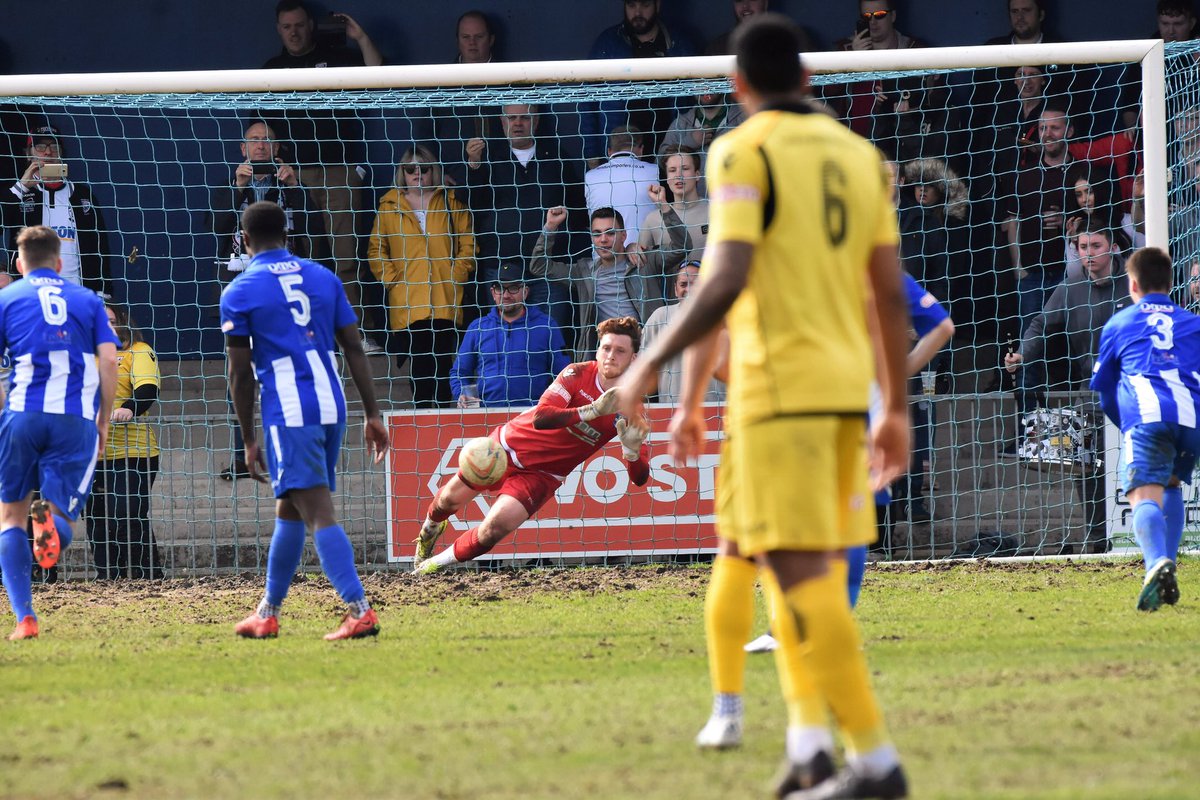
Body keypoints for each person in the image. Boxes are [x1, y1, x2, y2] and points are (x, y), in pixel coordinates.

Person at [616, 15, 911, 799]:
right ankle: (813, 747)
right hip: (845, 391)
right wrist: (896, 408)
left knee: (792, 573)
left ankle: (876, 763)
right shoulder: (858, 155)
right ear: (808, 79)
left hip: (778, 391)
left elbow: (725, 275)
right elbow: (887, 292)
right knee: (788, 572)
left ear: (738, 87)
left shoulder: (740, 149)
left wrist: (648, 365)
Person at [223, 201, 388, 641]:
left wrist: (247, 438)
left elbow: (240, 374)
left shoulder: (240, 290)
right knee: (289, 508)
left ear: (243, 239)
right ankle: (267, 612)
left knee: (317, 512)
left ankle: (360, 610)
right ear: (289, 234)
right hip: (332, 403)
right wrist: (372, 413)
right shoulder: (322, 277)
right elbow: (355, 347)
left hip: (291, 411)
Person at [413, 316, 651, 574]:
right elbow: (541, 417)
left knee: (493, 530)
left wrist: (632, 452)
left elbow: (640, 479)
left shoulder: (633, 410)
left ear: (633, 359)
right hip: (507, 447)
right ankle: (429, 531)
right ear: (597, 350)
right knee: (446, 502)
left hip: (542, 476)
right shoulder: (577, 372)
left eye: (620, 351)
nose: (610, 356)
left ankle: (429, 568)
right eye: (606, 348)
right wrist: (591, 410)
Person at [0, 225, 118, 640]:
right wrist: (102, 420)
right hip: (73, 419)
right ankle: (52, 522)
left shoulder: (5, 298)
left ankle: (24, 618)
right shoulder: (87, 300)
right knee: (62, 515)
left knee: (11, 516)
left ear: (20, 264)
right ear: (59, 262)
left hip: (22, 415)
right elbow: (109, 363)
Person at [260, 0, 383, 354]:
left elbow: (378, 74)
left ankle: (357, 333)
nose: (294, 32)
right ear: (279, 29)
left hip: (339, 171)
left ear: (310, 25)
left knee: (347, 258)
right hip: (295, 178)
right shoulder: (272, 69)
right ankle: (311, 335)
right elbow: (260, 125)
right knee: (304, 260)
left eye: (299, 25)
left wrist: (359, 37)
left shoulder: (339, 57)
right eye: (287, 26)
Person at [1004, 222, 1130, 553]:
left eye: (1095, 246)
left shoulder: (1134, 284)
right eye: (1083, 247)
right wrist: (1021, 353)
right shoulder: (1070, 287)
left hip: (1134, 392)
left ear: (1112, 246)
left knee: (1134, 464)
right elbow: (1040, 324)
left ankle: (1137, 535)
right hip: (1090, 394)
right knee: (1088, 469)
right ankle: (1096, 539)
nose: (1089, 253)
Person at [212, 119, 326, 481]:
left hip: (286, 289)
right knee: (241, 370)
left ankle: (297, 453)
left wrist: (293, 187)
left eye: (267, 141)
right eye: (254, 141)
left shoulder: (292, 185)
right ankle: (242, 453)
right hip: (242, 290)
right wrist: (238, 188)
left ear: (277, 150)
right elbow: (211, 224)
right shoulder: (229, 186)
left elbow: (315, 227)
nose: (261, 147)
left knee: (292, 369)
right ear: (242, 150)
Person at [1091, 247, 1200, 610]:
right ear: (1171, 284)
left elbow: (1106, 391)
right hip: (1191, 418)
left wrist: (1127, 426)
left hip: (1148, 417)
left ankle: (1155, 564)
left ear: (1132, 284)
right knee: (1171, 484)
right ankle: (1167, 572)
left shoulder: (1119, 323)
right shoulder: (1192, 322)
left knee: (1141, 495)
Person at [367, 144, 475, 407]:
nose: (417, 174)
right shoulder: (389, 207)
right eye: (410, 169)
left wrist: (455, 276)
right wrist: (395, 282)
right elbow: (376, 250)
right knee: (420, 365)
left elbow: (468, 244)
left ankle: (443, 417)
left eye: (423, 168)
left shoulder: (451, 202)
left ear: (433, 171)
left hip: (444, 297)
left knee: (443, 361)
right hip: (409, 300)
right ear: (402, 173)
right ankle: (424, 421)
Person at [464, 103, 581, 334]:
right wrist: (473, 164)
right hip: (500, 271)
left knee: (550, 340)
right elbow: (471, 205)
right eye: (512, 118)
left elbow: (577, 209)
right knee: (503, 344)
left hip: (549, 270)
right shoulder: (487, 157)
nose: (518, 123)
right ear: (502, 122)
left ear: (536, 122)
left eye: (525, 118)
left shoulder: (556, 157)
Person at [85, 303, 164, 580]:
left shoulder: (137, 351)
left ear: (122, 322)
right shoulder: (81, 355)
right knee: (97, 521)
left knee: (127, 514)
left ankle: (148, 577)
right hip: (90, 453)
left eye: (110, 320)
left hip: (133, 451)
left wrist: (130, 407)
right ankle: (108, 579)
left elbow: (147, 388)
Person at [530, 206, 665, 362]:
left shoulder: (642, 261)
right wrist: (551, 227)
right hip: (607, 358)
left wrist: (665, 208)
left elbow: (681, 247)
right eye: (597, 234)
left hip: (646, 354)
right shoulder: (584, 272)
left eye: (610, 233)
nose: (603, 239)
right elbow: (538, 266)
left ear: (623, 235)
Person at [1, 125, 112, 297]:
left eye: (54, 147)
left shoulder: (82, 195)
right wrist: (21, 187)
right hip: (31, 296)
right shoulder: (17, 194)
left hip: (77, 295)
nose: (47, 153)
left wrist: (103, 293)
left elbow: (101, 247)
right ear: (28, 153)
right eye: (40, 147)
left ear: (62, 153)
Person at [581, 0, 695, 166]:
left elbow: (694, 101)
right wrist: (592, 154)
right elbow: (587, 100)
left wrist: (687, 143)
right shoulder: (608, 44)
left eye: (645, 5)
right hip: (621, 155)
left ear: (658, 5)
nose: (638, 13)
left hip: (669, 154)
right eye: (631, 5)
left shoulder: (678, 43)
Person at [450, 263, 570, 409]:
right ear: (493, 293)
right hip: (486, 415)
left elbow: (564, 373)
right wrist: (461, 394)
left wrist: (551, 404)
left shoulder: (546, 325)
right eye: (500, 288)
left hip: (532, 416)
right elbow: (459, 372)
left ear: (525, 292)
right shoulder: (477, 328)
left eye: (513, 288)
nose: (506, 295)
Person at [640, 261, 724, 404]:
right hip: (671, 411)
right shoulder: (660, 317)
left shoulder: (724, 319)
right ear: (675, 289)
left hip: (718, 411)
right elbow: (643, 367)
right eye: (683, 284)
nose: (689, 289)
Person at [635, 145, 708, 294]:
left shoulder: (717, 211)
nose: (678, 175)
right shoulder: (653, 220)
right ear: (667, 178)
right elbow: (642, 265)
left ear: (697, 174)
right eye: (672, 170)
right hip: (672, 309)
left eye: (685, 169)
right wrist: (631, 247)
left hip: (714, 302)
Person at [584, 126, 661, 249]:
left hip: (605, 258)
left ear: (609, 151)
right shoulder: (655, 171)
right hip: (646, 256)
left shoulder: (590, 177)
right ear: (641, 150)